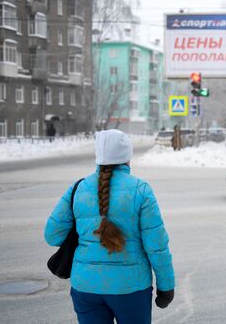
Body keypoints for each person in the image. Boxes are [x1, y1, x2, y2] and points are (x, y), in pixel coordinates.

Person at [45, 129, 175, 324]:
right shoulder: (141, 190)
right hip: (131, 288)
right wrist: (166, 287)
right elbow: (156, 246)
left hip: (86, 287)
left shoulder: (78, 188)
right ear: (127, 157)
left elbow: (52, 236)